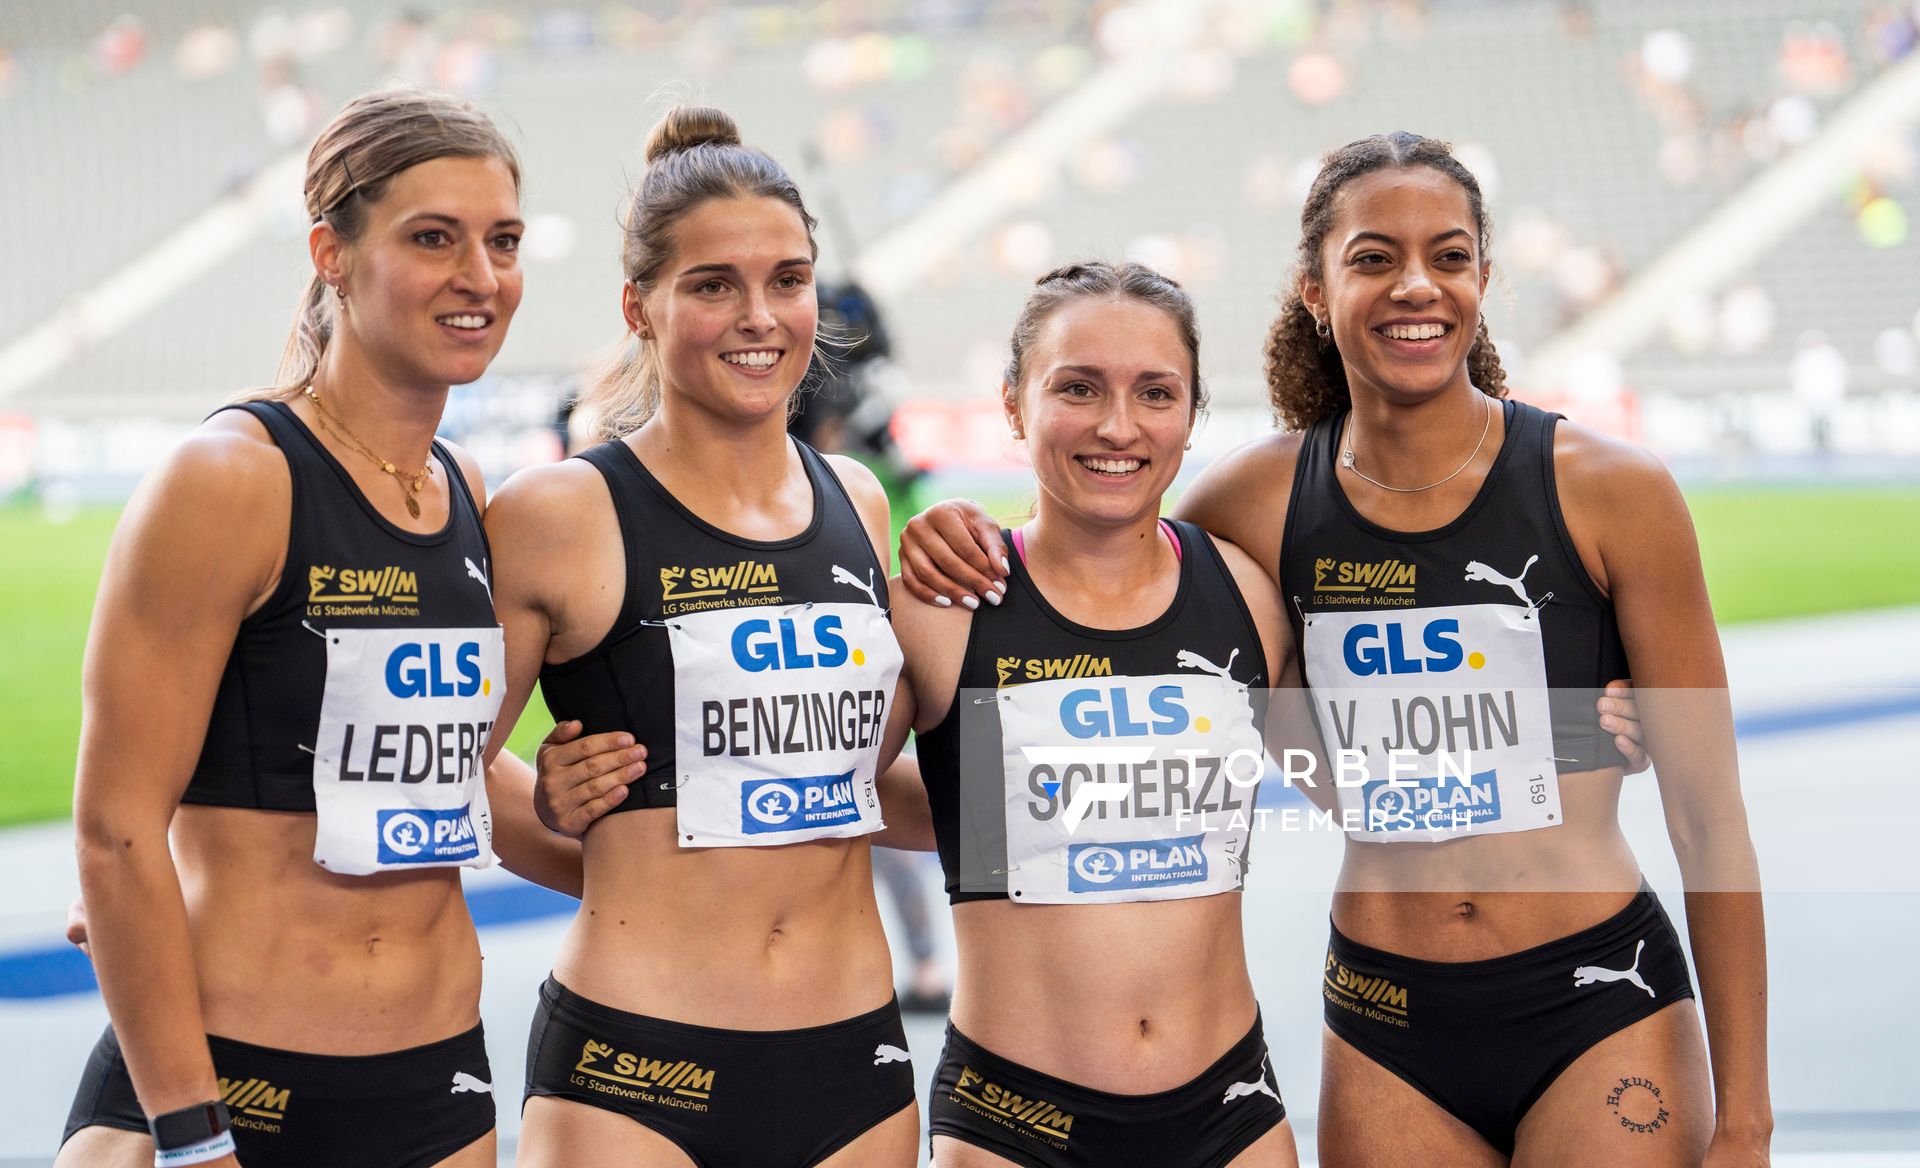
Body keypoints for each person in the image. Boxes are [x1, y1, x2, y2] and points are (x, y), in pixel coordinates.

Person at [899, 133, 1757, 1167]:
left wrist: (1746, 1115)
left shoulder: (1611, 487)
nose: (1415, 286)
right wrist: (963, 529)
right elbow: (1095, 569)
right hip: (1388, 1021)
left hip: (1594, 993)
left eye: (1448, 255)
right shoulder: (1249, 504)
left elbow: (1711, 819)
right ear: (1314, 287)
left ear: (1485, 276)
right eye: (1372, 257)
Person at [57, 88, 612, 1168]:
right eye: (433, 239)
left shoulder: (462, 488)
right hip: (226, 1086)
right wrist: (188, 1132)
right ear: (333, 252)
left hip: (434, 1089)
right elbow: (114, 828)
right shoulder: (229, 480)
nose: (481, 277)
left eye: (503, 241)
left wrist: (566, 801)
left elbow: (430, 778)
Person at [486, 105, 920, 1168]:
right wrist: (606, 849)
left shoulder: (857, 503)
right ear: (639, 305)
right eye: (713, 284)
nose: (759, 315)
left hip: (853, 1064)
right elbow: (432, 771)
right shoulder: (558, 514)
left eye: (788, 277)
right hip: (635, 1069)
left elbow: (857, 779)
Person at [889, 261, 1301, 1167]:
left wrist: (1599, 732)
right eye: (1078, 389)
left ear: (1192, 415)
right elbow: (811, 795)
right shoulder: (938, 605)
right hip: (1014, 1120)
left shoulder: (1252, 598)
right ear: (1012, 405)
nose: (1119, 426)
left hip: (1230, 1114)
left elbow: (1377, 774)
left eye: (1156, 393)